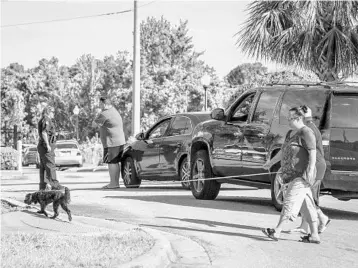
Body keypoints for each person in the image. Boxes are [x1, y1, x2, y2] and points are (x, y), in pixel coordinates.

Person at [262, 107, 321, 243]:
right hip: (291, 175)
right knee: (307, 204)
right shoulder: (290, 133)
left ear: (299, 118)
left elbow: (312, 152)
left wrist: (311, 170)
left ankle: (277, 231)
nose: (288, 120)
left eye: (290, 118)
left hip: (302, 175)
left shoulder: (306, 132)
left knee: (289, 201)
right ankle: (314, 235)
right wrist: (270, 163)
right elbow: (283, 152)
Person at [289, 106, 330, 234]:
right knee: (306, 195)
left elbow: (312, 152)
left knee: (307, 196)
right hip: (315, 165)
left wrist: (311, 169)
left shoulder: (308, 130)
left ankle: (322, 219)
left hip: (316, 166)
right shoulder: (309, 127)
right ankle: (304, 226)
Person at [92, 95, 126, 189]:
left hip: (111, 142)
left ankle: (113, 183)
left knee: (112, 163)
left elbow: (94, 125)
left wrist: (98, 114)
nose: (99, 105)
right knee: (115, 162)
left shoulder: (104, 113)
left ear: (104, 104)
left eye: (100, 103)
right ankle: (115, 183)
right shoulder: (114, 111)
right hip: (119, 140)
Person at [37, 106, 62, 190]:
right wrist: (47, 144)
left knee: (44, 167)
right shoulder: (46, 119)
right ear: (49, 112)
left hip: (43, 146)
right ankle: (55, 185)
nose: (53, 114)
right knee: (50, 165)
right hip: (46, 147)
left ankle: (42, 187)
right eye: (53, 112)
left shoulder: (43, 119)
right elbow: (44, 132)